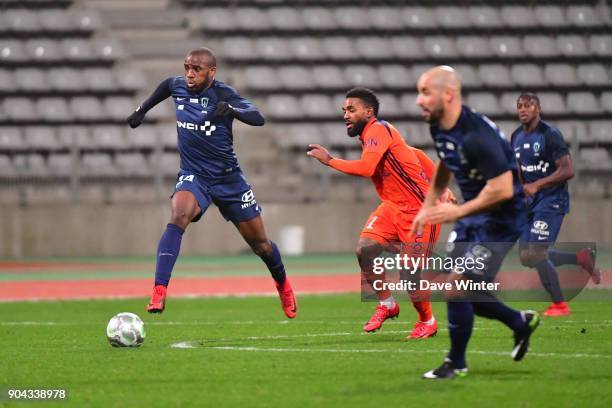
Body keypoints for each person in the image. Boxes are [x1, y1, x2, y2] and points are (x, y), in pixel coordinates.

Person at [126, 47, 297, 318]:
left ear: (211, 72)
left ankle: (283, 285)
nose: (189, 74)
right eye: (187, 68)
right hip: (195, 175)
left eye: (196, 69)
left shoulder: (223, 93)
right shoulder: (178, 85)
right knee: (178, 215)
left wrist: (231, 109)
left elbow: (258, 117)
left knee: (261, 245)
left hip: (229, 179)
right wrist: (142, 109)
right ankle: (159, 291)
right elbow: (165, 87)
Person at [412, 66, 540, 379]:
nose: (418, 100)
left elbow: (502, 189)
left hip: (500, 219)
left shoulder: (476, 135)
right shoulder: (440, 125)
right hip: (472, 216)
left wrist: (455, 212)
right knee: (466, 293)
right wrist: (427, 205)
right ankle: (519, 322)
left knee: (458, 288)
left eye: (425, 92)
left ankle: (456, 363)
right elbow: (445, 160)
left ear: (449, 94)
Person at [308, 87, 451, 339]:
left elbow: (366, 168)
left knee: (409, 274)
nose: (345, 115)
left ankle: (427, 320)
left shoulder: (377, 129)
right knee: (365, 249)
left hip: (420, 211)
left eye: (351, 109)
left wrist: (329, 160)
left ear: (369, 111)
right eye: (344, 110)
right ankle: (386, 303)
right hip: (392, 207)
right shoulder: (377, 133)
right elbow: (413, 152)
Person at [512, 93, 601, 317]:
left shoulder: (550, 135)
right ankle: (580, 258)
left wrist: (538, 185)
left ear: (538, 109)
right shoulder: (515, 136)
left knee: (537, 252)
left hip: (552, 200)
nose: (523, 109)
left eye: (528, 105)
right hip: (530, 202)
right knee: (526, 257)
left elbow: (567, 170)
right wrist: (521, 191)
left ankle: (560, 305)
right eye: (519, 106)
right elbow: (519, 169)